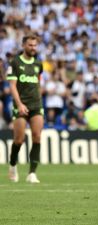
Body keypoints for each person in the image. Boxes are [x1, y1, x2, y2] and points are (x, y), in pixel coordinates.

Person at [6, 33, 44, 184]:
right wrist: (20, 104)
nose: (33, 48)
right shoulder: (14, 62)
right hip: (20, 105)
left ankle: (32, 173)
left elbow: (38, 83)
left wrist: (39, 99)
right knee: (19, 140)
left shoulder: (38, 63)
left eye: (35, 45)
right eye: (30, 45)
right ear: (23, 45)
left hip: (36, 104)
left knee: (37, 137)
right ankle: (13, 165)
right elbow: (12, 86)